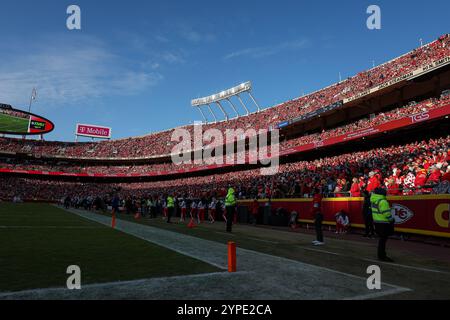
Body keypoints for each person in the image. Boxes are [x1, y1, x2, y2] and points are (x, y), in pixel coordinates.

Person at [371, 187, 395, 262]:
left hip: (377, 222)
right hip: (384, 223)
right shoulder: (383, 201)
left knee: (381, 240)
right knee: (383, 240)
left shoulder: (374, 200)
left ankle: (381, 255)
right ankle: (382, 256)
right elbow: (387, 213)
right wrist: (391, 220)